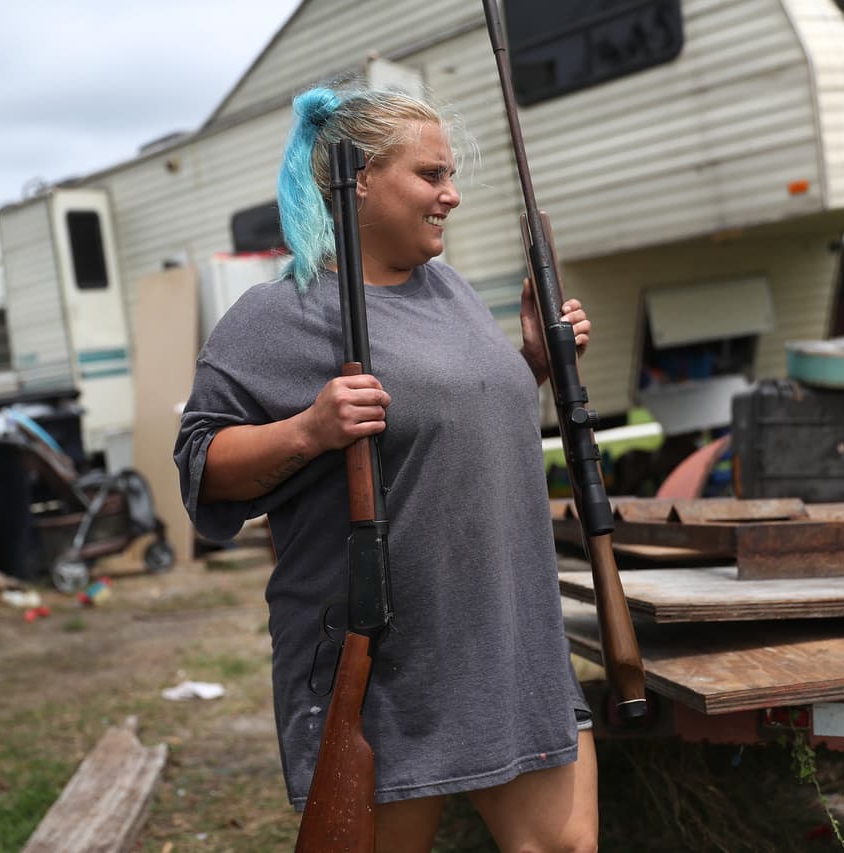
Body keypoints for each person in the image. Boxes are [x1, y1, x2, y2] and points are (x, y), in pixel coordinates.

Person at [174, 84, 598, 852]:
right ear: (358, 177)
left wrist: (534, 362)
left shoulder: (455, 292)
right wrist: (308, 428)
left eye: (450, 176)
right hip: (389, 657)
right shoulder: (281, 315)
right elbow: (201, 463)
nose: (452, 195)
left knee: (563, 846)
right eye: (430, 175)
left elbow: (453, 426)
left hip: (506, 631)